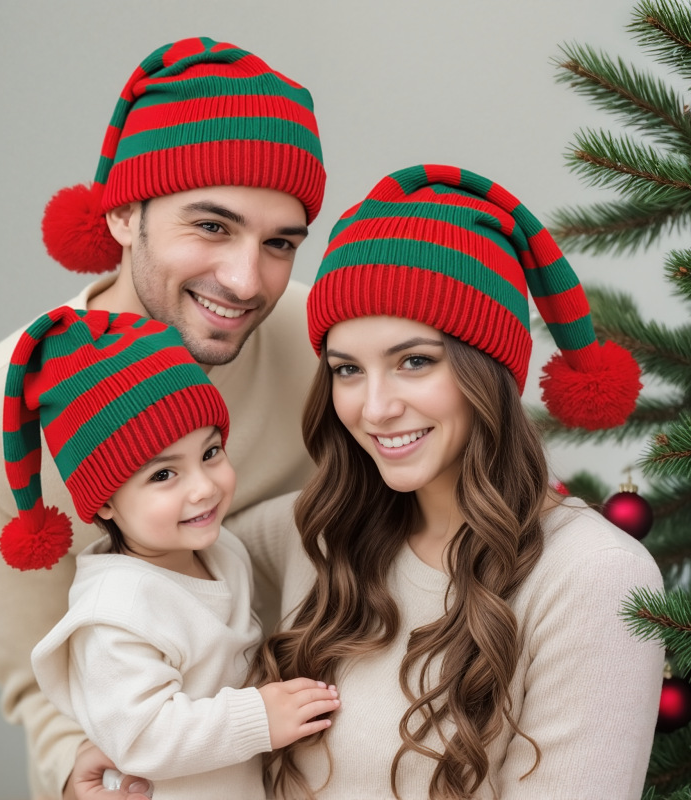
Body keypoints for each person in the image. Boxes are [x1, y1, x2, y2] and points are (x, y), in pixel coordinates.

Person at [0, 36, 326, 800]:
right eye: (210, 226)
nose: (246, 281)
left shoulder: (324, 346)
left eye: (279, 243)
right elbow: (38, 683)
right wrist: (80, 775)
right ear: (121, 215)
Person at [239, 164, 665, 799]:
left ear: (488, 370)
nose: (375, 407)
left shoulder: (593, 575)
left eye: (415, 361)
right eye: (348, 369)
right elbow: (140, 589)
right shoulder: (313, 530)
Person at [0, 306, 340, 799]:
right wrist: (258, 716)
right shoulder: (117, 609)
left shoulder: (220, 548)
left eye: (210, 453)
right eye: (163, 475)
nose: (203, 488)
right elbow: (142, 736)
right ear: (107, 502)